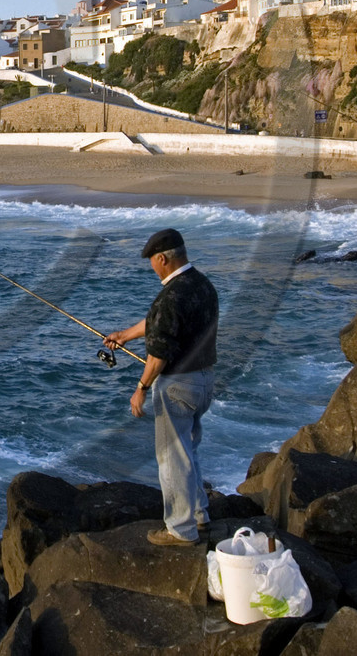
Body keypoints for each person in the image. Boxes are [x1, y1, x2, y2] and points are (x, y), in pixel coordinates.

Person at [104, 228, 219, 546]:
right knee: (188, 450)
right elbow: (160, 322)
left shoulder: (170, 295)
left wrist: (141, 387)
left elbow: (159, 354)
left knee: (172, 457)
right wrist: (124, 335)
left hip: (178, 385)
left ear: (163, 258)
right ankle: (200, 516)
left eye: (153, 262)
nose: (153, 268)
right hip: (205, 381)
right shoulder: (201, 284)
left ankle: (181, 531)